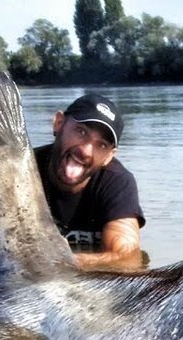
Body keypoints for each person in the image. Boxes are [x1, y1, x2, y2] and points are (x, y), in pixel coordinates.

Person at [34, 93, 145, 269]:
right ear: (59, 123)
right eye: (81, 132)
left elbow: (128, 257)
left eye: (101, 145)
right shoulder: (22, 169)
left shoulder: (117, 183)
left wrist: (59, 263)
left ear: (109, 156)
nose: (86, 151)